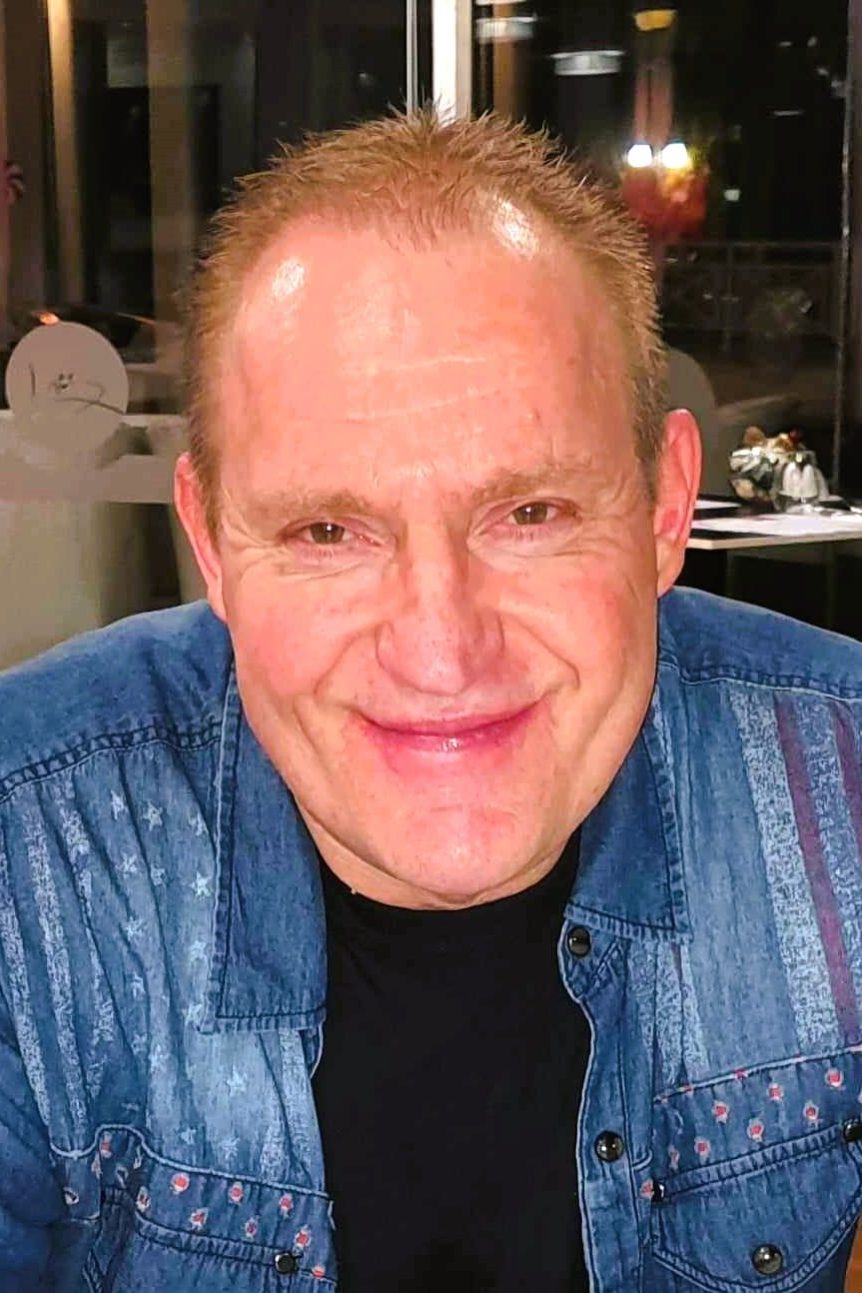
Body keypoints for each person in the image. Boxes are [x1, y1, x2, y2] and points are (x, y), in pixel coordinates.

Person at [0, 110, 861, 1293]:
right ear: (211, 543)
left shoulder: (843, 791)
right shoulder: (29, 854)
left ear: (665, 509)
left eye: (530, 514)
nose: (441, 650)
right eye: (326, 531)